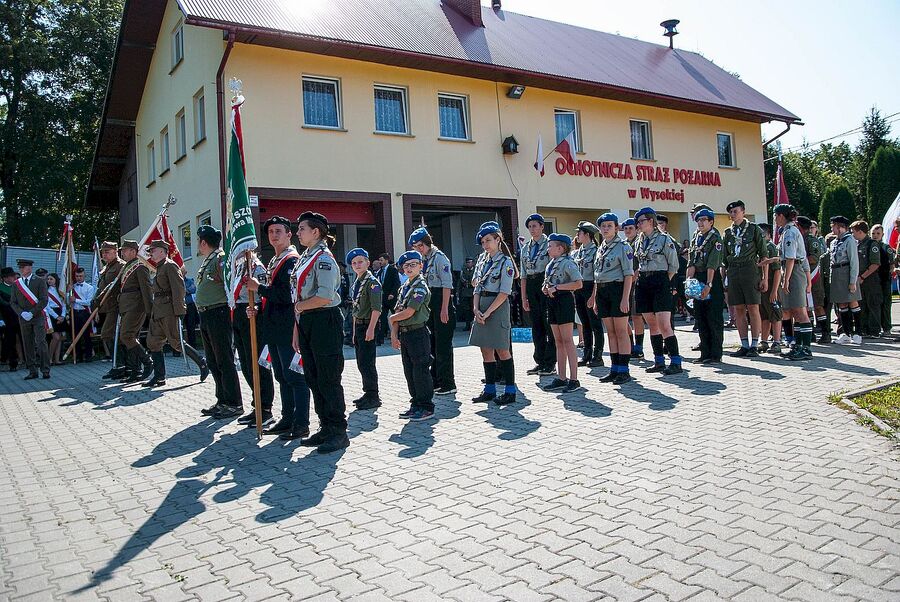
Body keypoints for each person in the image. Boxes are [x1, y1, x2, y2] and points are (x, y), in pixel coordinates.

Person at [245, 216, 309, 439]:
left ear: (289, 234)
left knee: (295, 377)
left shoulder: (291, 261)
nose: (274, 235)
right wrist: (257, 309)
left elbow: (286, 295)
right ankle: (288, 418)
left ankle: (301, 423)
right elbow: (272, 299)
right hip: (273, 327)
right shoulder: (275, 260)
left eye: (278, 231)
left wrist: (259, 288)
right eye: (271, 231)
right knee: (282, 376)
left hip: (287, 328)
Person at [292, 211, 349, 453]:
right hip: (308, 320)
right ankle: (325, 426)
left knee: (328, 378)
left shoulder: (323, 258)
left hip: (324, 320)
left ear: (316, 232)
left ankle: (338, 431)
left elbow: (325, 296)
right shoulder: (307, 256)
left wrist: (299, 307)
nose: (298, 232)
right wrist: (298, 325)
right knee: (313, 377)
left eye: (302, 229)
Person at [143, 239, 208, 387]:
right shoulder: (159, 267)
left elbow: (179, 290)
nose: (151, 254)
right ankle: (159, 376)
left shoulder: (170, 266)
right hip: (158, 310)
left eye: (153, 251)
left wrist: (180, 312)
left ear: (161, 251)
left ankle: (202, 362)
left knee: (176, 342)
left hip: (169, 310)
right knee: (153, 342)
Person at [469, 223, 518, 405]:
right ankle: (489, 389)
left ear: (498, 240)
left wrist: (488, 312)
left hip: (497, 307)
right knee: (485, 349)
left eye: (489, 240)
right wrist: (476, 309)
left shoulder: (505, 262)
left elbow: (504, 292)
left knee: (502, 350)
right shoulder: (482, 260)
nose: (485, 244)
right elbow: (476, 288)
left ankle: (510, 391)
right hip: (481, 305)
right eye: (483, 242)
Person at [191, 226, 238, 412]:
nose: (198, 245)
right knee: (212, 360)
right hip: (207, 314)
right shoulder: (208, 260)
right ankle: (222, 400)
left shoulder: (219, 259)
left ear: (203, 242)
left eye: (198, 241)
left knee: (224, 359)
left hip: (218, 313)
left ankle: (233, 403)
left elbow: (228, 284)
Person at [409, 226, 457, 395]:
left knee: (443, 346)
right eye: (415, 247)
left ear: (428, 242)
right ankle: (435, 380)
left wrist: (444, 309)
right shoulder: (425, 260)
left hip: (441, 301)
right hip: (430, 302)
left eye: (420, 246)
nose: (419, 250)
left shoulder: (439, 258)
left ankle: (448, 383)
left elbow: (446, 285)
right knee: (432, 344)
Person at [633, 207, 682, 375]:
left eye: (641, 221)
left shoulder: (663, 239)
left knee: (664, 324)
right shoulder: (638, 240)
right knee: (652, 324)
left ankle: (676, 361)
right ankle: (658, 360)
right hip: (643, 281)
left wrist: (663, 283)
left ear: (651, 221)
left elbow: (673, 265)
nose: (638, 224)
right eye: (637, 221)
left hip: (660, 280)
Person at [233, 252, 276, 429]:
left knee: (258, 364)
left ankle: (265, 409)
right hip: (239, 313)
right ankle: (256, 404)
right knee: (246, 364)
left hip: (253, 315)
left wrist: (256, 308)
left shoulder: (256, 268)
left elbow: (263, 296)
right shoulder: (238, 268)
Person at [590, 213, 635, 384]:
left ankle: (624, 369)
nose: (606, 229)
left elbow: (628, 275)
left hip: (617, 290)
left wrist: (625, 299)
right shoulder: (600, 248)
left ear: (617, 228)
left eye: (610, 225)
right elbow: (596, 275)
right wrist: (595, 298)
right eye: (603, 226)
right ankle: (614, 368)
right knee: (611, 332)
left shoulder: (623, 247)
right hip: (602, 291)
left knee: (621, 331)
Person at [389, 251, 434, 420]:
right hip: (405, 333)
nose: (409, 268)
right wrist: (394, 335)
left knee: (420, 370)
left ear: (421, 266)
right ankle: (416, 403)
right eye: (406, 265)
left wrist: (392, 319)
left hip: (418, 332)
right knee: (409, 371)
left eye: (413, 264)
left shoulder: (420, 287)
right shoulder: (405, 287)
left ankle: (426, 406)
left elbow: (408, 312)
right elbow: (397, 312)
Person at [723, 200, 768, 358]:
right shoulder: (728, 233)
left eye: (735, 211)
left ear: (743, 211)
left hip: (750, 270)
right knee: (739, 308)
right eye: (731, 212)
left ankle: (755, 344)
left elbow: (763, 255)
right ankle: (744, 344)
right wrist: (725, 279)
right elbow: (725, 259)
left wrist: (765, 278)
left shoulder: (754, 229)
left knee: (753, 307)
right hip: (734, 271)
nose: (733, 214)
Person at [541, 233, 583, 392]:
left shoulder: (568, 263)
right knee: (558, 341)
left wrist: (557, 288)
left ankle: (574, 379)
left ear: (560, 248)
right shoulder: (550, 264)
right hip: (552, 301)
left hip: (564, 301)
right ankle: (561, 377)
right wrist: (546, 289)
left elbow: (578, 283)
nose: (548, 248)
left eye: (550, 246)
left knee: (567, 341)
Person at [774, 204, 813, 360]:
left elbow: (791, 258)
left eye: (776, 215)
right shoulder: (786, 232)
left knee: (800, 311)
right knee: (791, 311)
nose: (775, 219)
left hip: (794, 272)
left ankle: (806, 349)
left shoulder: (790, 232)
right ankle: (798, 345)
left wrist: (786, 280)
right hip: (790, 270)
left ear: (782, 216)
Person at [346, 247, 383, 410]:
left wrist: (371, 329)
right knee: (361, 362)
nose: (357, 265)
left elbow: (377, 308)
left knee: (368, 363)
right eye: (354, 263)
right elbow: (355, 309)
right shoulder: (357, 282)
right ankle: (367, 393)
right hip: (359, 325)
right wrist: (354, 331)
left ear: (368, 263)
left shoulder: (372, 282)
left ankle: (373, 396)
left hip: (369, 324)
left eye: (360, 262)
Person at [687, 209, 725, 364]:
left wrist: (708, 285)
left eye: (704, 220)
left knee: (713, 318)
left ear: (711, 222)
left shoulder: (715, 238)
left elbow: (712, 264)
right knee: (701, 316)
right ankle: (705, 353)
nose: (701, 223)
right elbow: (691, 261)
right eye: (698, 220)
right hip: (698, 277)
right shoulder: (696, 238)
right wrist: (689, 283)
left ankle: (716, 354)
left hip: (711, 278)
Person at [519, 214, 555, 376]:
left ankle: (550, 362)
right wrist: (524, 297)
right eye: (530, 226)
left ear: (542, 226)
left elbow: (554, 267)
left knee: (549, 324)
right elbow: (524, 275)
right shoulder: (526, 248)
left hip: (545, 282)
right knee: (536, 325)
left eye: (535, 226)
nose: (532, 229)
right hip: (532, 285)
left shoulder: (549, 245)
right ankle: (540, 361)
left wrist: (550, 287)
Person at [117, 240, 154, 383]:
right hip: (126, 306)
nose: (122, 253)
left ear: (133, 251)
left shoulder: (140, 267)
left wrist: (149, 309)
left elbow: (146, 289)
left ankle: (147, 361)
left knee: (126, 336)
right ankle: (135, 371)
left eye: (125, 250)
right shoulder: (127, 267)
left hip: (136, 307)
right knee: (130, 337)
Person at [10, 258, 50, 379]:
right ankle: (32, 370)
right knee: (28, 344)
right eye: (20, 267)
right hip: (23, 318)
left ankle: (45, 370)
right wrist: (21, 313)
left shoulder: (39, 281)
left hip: (37, 316)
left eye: (24, 267)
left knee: (41, 342)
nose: (21, 269)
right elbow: (13, 302)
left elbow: (44, 300)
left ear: (30, 267)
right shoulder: (17, 284)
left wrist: (32, 312)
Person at [573, 221, 605, 367]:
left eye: (579, 233)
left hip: (591, 287)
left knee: (595, 324)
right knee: (585, 323)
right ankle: (587, 354)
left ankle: (598, 355)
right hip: (579, 288)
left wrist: (593, 296)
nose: (577, 235)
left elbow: (597, 276)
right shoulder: (579, 252)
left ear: (587, 235)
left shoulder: (596, 251)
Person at [828, 216, 862, 345]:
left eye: (833, 226)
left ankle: (858, 332)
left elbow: (854, 261)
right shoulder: (834, 242)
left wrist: (853, 281)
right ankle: (846, 333)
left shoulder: (850, 240)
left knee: (853, 302)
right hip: (837, 273)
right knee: (841, 304)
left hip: (847, 272)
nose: (832, 228)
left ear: (840, 227)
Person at [95, 242, 126, 378]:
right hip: (108, 307)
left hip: (117, 306)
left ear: (115, 252)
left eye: (107, 252)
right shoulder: (107, 267)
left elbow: (118, 286)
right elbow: (101, 286)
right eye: (103, 252)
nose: (104, 255)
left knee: (107, 334)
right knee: (114, 336)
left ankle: (121, 365)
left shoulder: (121, 266)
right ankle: (120, 365)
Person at [797, 216, 828, 344]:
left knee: (818, 306)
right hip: (802, 276)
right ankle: (810, 334)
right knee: (805, 307)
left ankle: (826, 333)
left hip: (813, 277)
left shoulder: (812, 240)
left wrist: (797, 260)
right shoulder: (799, 239)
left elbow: (815, 257)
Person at [850, 220, 883, 338]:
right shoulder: (858, 244)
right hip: (860, 279)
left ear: (860, 231)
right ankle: (863, 329)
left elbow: (875, 264)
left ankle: (874, 331)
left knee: (873, 304)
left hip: (870, 279)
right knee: (861, 304)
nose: (852, 234)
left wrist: (863, 276)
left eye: (853, 232)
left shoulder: (871, 244)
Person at [622, 218, 647, 358]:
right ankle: (630, 344)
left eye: (630, 228)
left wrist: (634, 277)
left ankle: (639, 346)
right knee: (624, 317)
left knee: (636, 316)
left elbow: (640, 265)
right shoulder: (622, 245)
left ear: (637, 229)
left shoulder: (640, 243)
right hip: (625, 283)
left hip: (637, 283)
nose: (627, 231)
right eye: (625, 228)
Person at [757, 223, 783, 353]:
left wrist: (774, 291)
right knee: (764, 316)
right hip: (762, 288)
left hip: (772, 286)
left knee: (775, 314)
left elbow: (777, 271)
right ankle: (764, 341)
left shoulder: (770, 247)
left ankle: (777, 341)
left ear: (766, 234)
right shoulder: (759, 247)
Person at [871, 224, 896, 335]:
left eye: (878, 234)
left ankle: (886, 327)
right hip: (872, 279)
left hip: (884, 279)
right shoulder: (867, 246)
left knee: (885, 303)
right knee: (873, 303)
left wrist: (889, 274)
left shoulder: (886, 248)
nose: (875, 236)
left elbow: (892, 264)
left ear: (882, 235)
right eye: (873, 233)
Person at [374, 253, 400, 345]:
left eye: (381, 260)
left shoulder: (393, 270)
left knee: (395, 316)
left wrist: (393, 293)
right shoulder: (380, 272)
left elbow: (397, 283)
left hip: (391, 298)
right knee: (382, 318)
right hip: (383, 298)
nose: (380, 262)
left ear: (386, 260)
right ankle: (380, 339)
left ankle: (399, 336)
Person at [70, 266, 95, 362]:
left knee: (86, 335)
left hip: (84, 313)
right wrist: (69, 292)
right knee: (75, 334)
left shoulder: (89, 287)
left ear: (84, 276)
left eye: (80, 276)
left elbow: (88, 302)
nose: (78, 278)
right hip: (75, 312)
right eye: (77, 276)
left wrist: (76, 300)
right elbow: (68, 301)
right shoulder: (72, 287)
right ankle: (78, 356)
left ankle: (88, 355)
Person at [0, 267, 21, 372]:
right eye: (11, 276)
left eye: (13, 276)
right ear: (5, 278)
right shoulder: (0, 288)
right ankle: (13, 363)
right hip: (7, 319)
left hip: (20, 317)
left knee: (24, 340)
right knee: (10, 341)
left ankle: (29, 361)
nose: (13, 277)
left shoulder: (18, 287)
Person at [45, 272, 66, 365]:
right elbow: (47, 307)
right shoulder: (46, 291)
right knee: (55, 337)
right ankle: (49, 358)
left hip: (61, 313)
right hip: (52, 315)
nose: (49, 281)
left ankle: (57, 359)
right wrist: (56, 317)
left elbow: (64, 304)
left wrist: (63, 315)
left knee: (60, 338)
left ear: (56, 280)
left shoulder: (60, 291)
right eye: (48, 279)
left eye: (51, 279)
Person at [457, 257, 476, 330]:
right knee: (466, 310)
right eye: (467, 262)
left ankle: (474, 325)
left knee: (473, 309)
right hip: (465, 293)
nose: (468, 264)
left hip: (473, 293)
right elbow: (460, 283)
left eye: (470, 262)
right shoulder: (463, 271)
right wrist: (458, 293)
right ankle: (467, 325)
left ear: (473, 263)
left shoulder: (475, 271)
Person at [183, 273, 199, 348]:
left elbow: (193, 289)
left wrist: (183, 291)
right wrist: (186, 290)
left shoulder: (190, 280)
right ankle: (179, 350)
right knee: (179, 327)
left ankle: (193, 347)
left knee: (191, 327)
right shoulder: (176, 281)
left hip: (190, 306)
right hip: (180, 307)